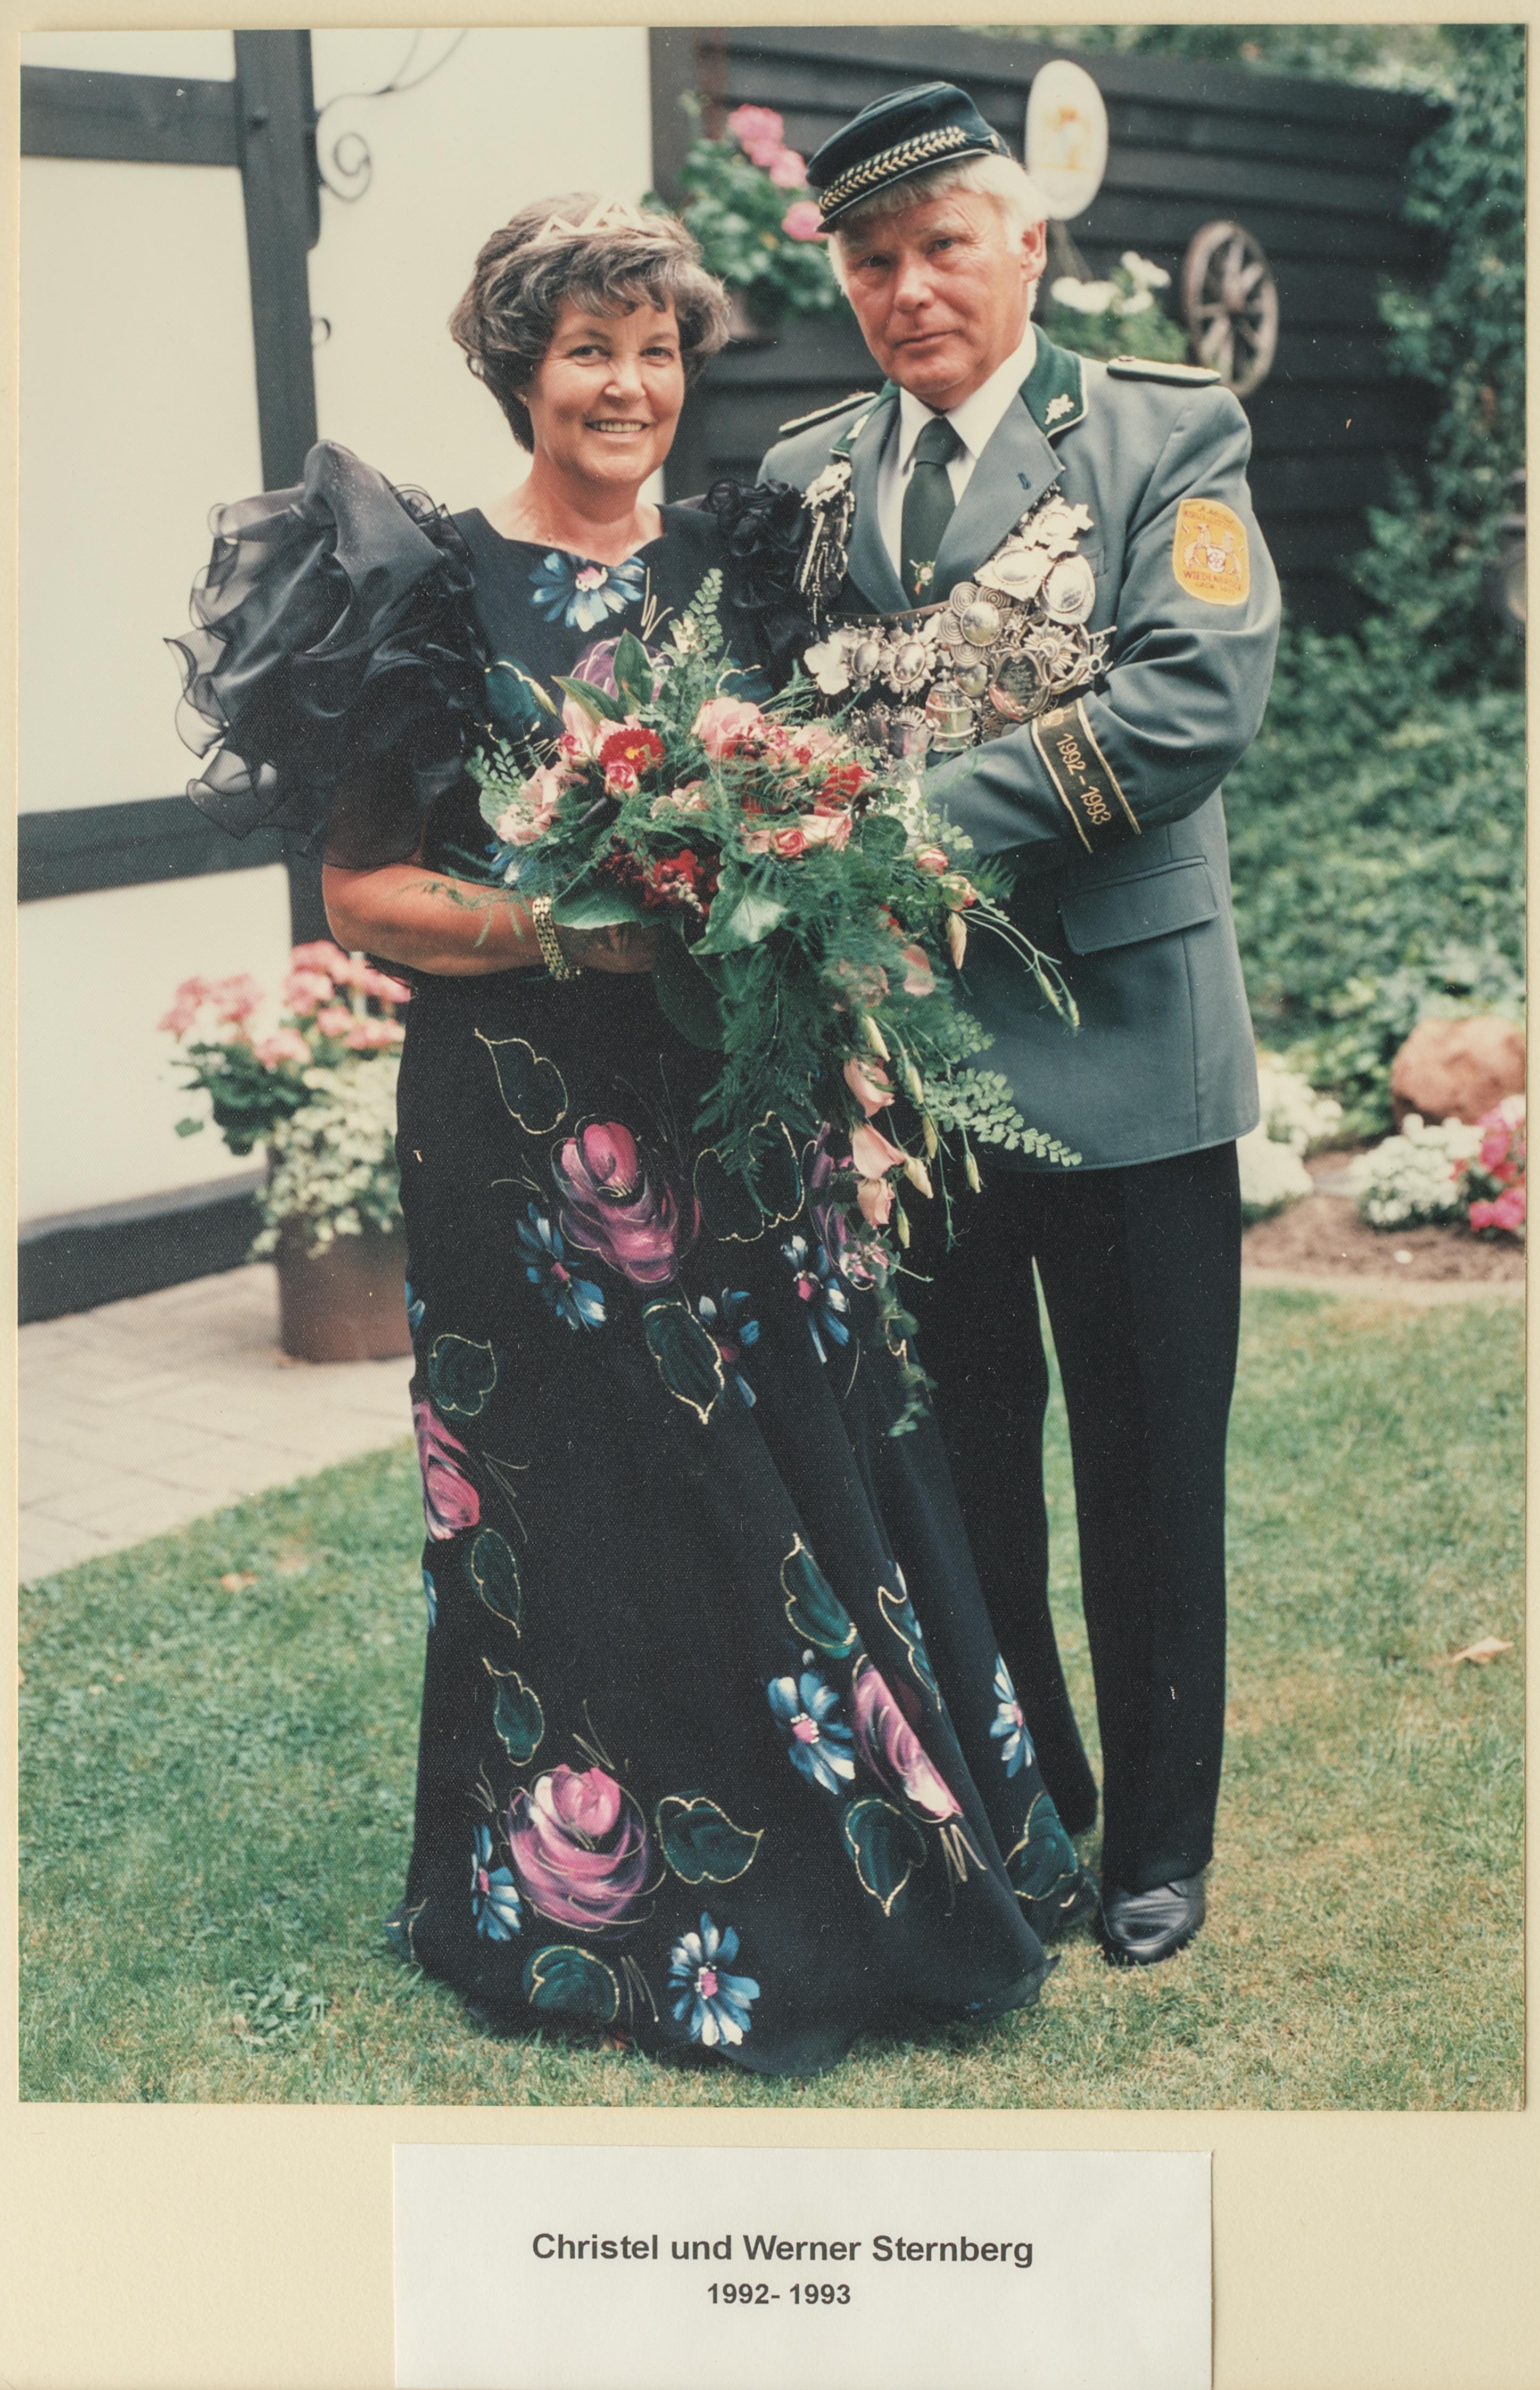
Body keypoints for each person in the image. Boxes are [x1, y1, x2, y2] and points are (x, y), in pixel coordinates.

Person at [170, 192, 1096, 2078]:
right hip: (523, 1140)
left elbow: (842, 800)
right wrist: (567, 926)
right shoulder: (425, 589)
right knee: (586, 1492)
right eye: (590, 348)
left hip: (743, 1101)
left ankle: (868, 1876)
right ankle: (599, 1908)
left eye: (657, 349)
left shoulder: (749, 564)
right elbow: (362, 891)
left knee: (792, 1464)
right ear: (520, 368)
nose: (630, 385)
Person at [762, 84, 1280, 1966]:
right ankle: (1030, 1796)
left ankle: (1158, 1839)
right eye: (871, 259)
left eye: (942, 246)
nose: (909, 289)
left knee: (1148, 1465)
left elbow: (1190, 702)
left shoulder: (1160, 432)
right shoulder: (810, 476)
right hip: (916, 1070)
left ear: (1028, 243)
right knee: (964, 1462)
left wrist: (896, 817)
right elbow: (768, 716)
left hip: (1128, 1041)